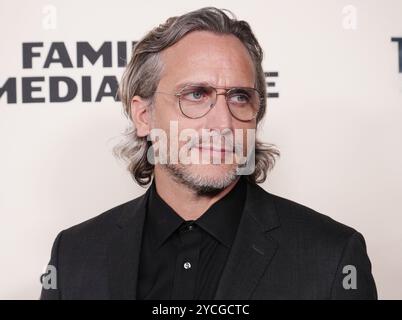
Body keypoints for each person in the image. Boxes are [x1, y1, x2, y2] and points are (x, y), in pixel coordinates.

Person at [40, 7, 377, 300]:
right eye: (197, 95)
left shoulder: (332, 257)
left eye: (239, 97)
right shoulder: (75, 255)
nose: (223, 122)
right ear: (144, 116)